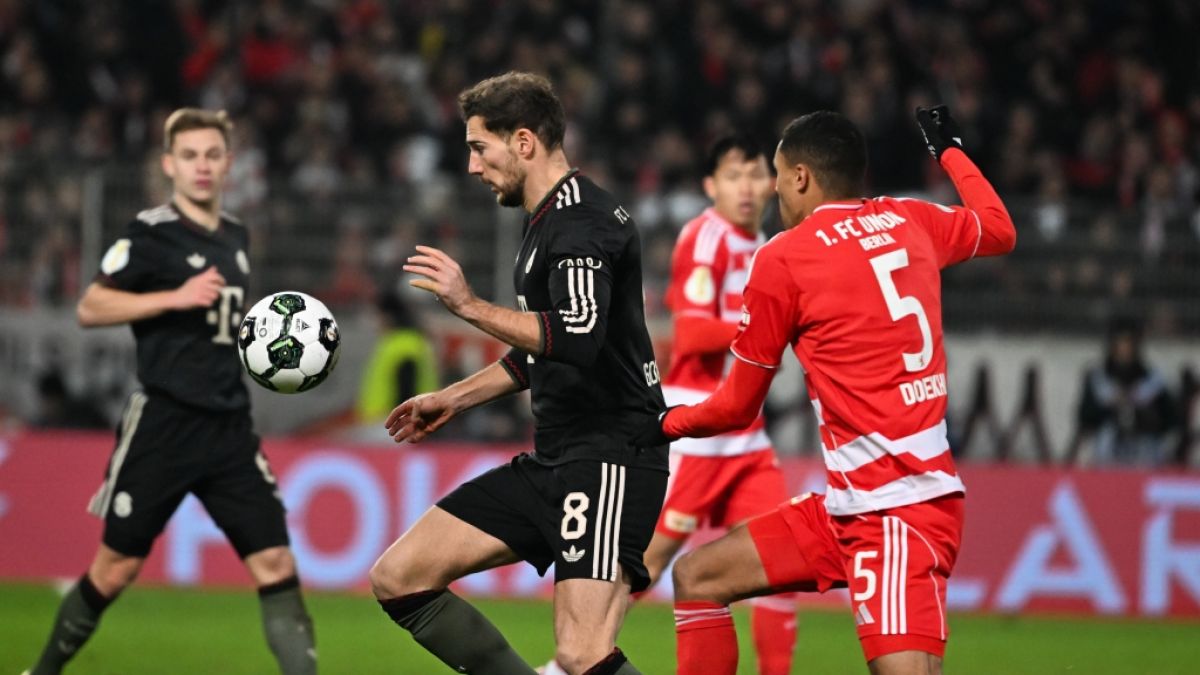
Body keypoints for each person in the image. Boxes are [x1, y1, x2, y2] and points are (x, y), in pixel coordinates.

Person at [637, 107, 1016, 674]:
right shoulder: (911, 218)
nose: (771, 190)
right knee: (698, 577)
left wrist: (659, 423)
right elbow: (999, 228)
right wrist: (951, 152)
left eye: (776, 172)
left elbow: (738, 406)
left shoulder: (784, 257)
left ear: (800, 177)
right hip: (848, 509)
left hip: (897, 511)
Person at [370, 72, 667, 675]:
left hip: (609, 455)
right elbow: (545, 349)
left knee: (583, 654)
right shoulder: (545, 222)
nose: (474, 166)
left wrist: (469, 305)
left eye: (481, 147)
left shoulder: (582, 222)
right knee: (400, 577)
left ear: (525, 142)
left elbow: (576, 337)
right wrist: (453, 399)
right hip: (555, 458)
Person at [26, 109, 316, 675]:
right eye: (189, 156)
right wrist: (173, 298)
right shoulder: (149, 234)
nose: (201, 167)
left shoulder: (236, 235)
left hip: (230, 428)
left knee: (277, 562)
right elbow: (91, 306)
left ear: (228, 164)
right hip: (164, 422)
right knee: (115, 571)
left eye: (212, 155)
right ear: (169, 165)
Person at [650, 132, 797, 675]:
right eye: (733, 175)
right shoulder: (704, 236)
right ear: (711, 185)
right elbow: (689, 334)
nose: (746, 187)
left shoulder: (767, 246)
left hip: (748, 433)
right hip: (700, 425)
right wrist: (761, 325)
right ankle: (572, 661)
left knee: (779, 562)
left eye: (756, 174)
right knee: (649, 562)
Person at [1070, 315, 1178, 465]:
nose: (1125, 349)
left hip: (1144, 453)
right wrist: (1110, 405)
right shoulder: (1099, 378)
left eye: (1129, 343)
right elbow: (1084, 417)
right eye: (1120, 343)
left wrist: (1147, 411)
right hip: (1107, 454)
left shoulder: (1152, 380)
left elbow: (1171, 419)